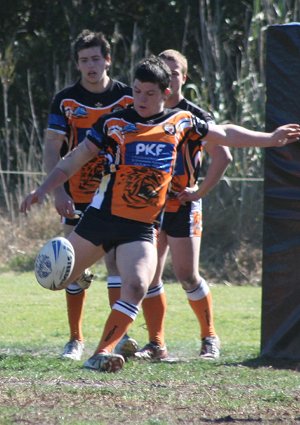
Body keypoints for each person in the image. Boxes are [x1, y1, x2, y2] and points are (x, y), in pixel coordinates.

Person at [20, 55, 300, 373]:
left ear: (165, 93)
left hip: (140, 228)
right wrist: (44, 189)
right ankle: (79, 279)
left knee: (138, 285)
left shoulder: (181, 122)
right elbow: (74, 158)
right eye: (137, 91)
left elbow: (225, 134)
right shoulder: (114, 123)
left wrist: (270, 139)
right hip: (101, 220)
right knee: (56, 281)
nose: (140, 98)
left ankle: (101, 353)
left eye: (149, 93)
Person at [43, 29, 136, 361]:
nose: (91, 66)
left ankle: (118, 339)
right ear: (78, 64)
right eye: (84, 61)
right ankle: (75, 340)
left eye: (96, 58)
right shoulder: (65, 100)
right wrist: (57, 191)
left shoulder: (128, 96)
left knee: (115, 264)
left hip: (116, 192)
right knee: (71, 266)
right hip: (76, 192)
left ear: (108, 59)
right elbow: (53, 146)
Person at [134, 49, 232, 361]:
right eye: (165, 71)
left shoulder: (196, 115)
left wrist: (200, 190)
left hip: (182, 203)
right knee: (150, 275)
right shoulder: (144, 109)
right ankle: (156, 344)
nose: (170, 77)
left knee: (187, 275)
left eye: (176, 72)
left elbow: (224, 155)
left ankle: (209, 337)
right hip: (150, 205)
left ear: (183, 78)